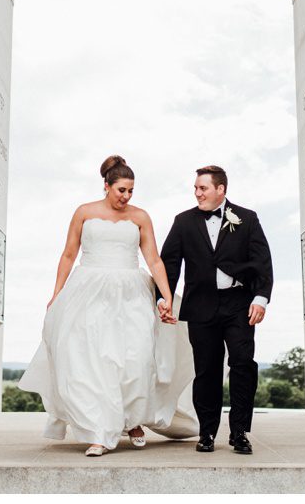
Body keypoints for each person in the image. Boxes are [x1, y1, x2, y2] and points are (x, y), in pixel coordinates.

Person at [19, 155, 198, 456]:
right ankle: (99, 433)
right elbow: (68, 255)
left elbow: (153, 259)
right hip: (88, 291)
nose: (126, 197)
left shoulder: (140, 217)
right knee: (91, 361)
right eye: (121, 190)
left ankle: (133, 419)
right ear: (106, 186)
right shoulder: (84, 213)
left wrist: (166, 297)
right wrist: (56, 294)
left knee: (136, 359)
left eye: (131, 191)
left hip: (131, 292)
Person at [158, 164, 274, 455]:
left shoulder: (247, 219)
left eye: (203, 188)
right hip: (201, 307)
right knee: (207, 370)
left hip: (239, 305)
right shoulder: (183, 222)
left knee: (243, 363)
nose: (197, 193)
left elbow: (262, 261)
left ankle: (239, 432)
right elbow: (169, 264)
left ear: (221, 189)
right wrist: (164, 299)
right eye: (196, 188)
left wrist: (260, 298)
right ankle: (207, 432)